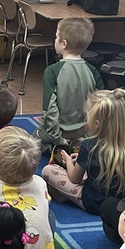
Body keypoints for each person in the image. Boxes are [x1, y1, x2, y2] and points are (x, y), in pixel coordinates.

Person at [41, 89, 125, 213]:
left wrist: (68, 161)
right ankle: (65, 195)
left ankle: (65, 196)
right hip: (120, 201)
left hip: (93, 202)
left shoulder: (89, 145)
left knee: (48, 170)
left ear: (96, 124)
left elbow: (74, 179)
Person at [33, 17, 103, 152]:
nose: (54, 40)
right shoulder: (92, 70)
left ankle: (59, 148)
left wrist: (58, 139)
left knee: (33, 139)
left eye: (56, 37)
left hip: (61, 132)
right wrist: (88, 135)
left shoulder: (52, 71)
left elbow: (49, 110)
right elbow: (100, 106)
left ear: (63, 44)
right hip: (85, 131)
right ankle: (80, 144)